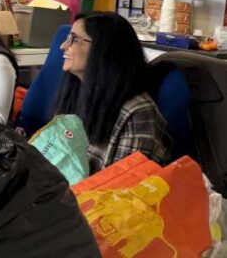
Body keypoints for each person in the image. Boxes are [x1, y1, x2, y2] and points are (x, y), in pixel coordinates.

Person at [53, 12, 172, 174]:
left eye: (74, 39)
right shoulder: (77, 91)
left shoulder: (137, 113)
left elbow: (124, 190)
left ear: (102, 49)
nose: (63, 46)